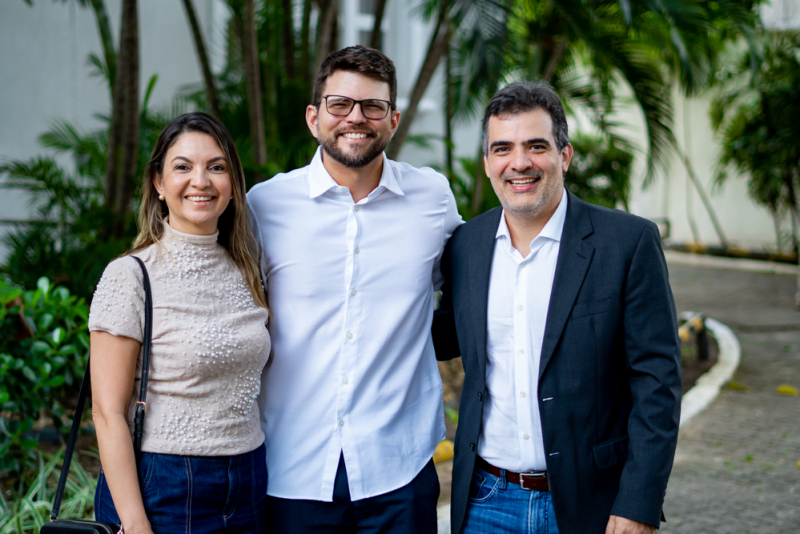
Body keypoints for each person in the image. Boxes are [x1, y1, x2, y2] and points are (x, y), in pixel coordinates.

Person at [432, 81, 682, 534]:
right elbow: (443, 336)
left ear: (564, 156)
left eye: (536, 146)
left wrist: (638, 502)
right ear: (487, 162)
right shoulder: (466, 246)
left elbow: (657, 382)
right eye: (503, 148)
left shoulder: (627, 243)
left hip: (593, 504)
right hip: (485, 502)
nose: (519, 163)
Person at [247, 45, 462, 533]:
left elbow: (476, 282)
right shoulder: (264, 206)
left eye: (373, 106)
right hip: (291, 471)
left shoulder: (432, 198)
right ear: (314, 117)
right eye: (340, 104)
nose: (356, 118)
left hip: (400, 471)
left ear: (393, 120)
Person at [89, 112, 270, 534]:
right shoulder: (130, 276)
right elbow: (107, 413)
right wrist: (134, 521)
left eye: (216, 167)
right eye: (183, 167)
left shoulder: (249, 268)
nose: (200, 181)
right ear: (158, 182)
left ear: (233, 183)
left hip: (250, 479)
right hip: (165, 485)